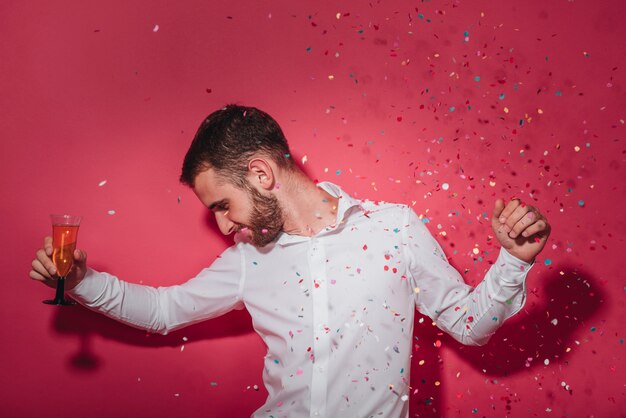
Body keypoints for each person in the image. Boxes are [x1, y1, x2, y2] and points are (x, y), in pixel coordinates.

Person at [30, 105, 551, 417]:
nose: (224, 226)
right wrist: (80, 280)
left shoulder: (394, 228)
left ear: (260, 173)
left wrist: (512, 262)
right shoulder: (249, 260)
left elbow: (468, 324)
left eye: (221, 205)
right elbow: (166, 311)